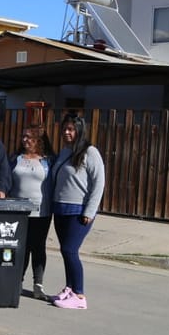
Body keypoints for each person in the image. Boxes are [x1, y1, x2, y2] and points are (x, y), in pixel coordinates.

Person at [50, 114, 105, 309]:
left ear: (80, 130)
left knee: (70, 250)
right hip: (60, 209)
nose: (66, 132)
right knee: (65, 252)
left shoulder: (90, 152)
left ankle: (80, 296)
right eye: (65, 128)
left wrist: (90, 211)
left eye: (71, 129)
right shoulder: (65, 151)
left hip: (79, 211)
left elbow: (99, 184)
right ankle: (70, 288)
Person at [9, 125, 55, 300]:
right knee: (21, 247)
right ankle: (17, 281)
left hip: (41, 211)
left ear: (39, 141)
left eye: (29, 137)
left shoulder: (48, 160)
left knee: (38, 247)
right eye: (23, 136)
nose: (25, 140)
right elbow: (6, 179)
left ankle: (38, 284)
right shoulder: (15, 158)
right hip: (17, 211)